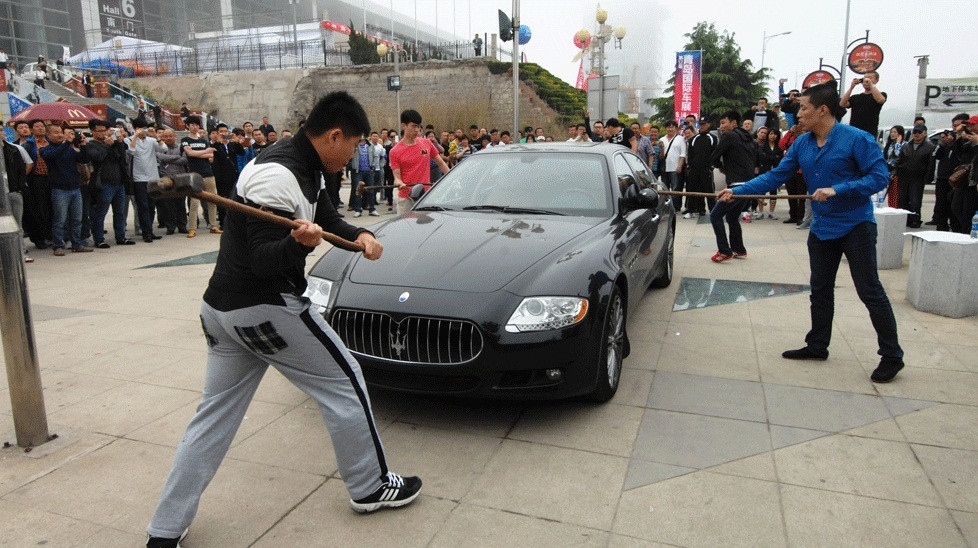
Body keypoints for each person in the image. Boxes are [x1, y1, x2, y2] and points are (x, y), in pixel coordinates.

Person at [146, 91, 421, 548]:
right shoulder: (276, 174)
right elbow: (262, 261)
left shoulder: (306, 164)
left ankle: (165, 529)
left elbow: (325, 213)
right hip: (264, 309)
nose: (352, 153)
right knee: (346, 380)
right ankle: (371, 486)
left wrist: (361, 234)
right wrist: (299, 246)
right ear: (333, 135)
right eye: (352, 145)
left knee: (212, 418)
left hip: (222, 312)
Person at [718, 81, 904, 384]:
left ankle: (892, 355)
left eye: (803, 107)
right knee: (819, 289)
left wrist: (838, 189)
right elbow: (777, 175)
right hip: (822, 228)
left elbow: (879, 177)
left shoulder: (857, 139)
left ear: (823, 110)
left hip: (856, 225)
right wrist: (738, 192)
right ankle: (817, 346)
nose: (798, 113)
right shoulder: (802, 143)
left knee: (869, 290)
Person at [39, 124, 93, 255]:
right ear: (48, 135)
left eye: (60, 132)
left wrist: (83, 145)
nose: (59, 135)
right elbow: (52, 156)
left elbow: (83, 159)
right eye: (55, 132)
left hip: (75, 188)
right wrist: (66, 143)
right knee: (60, 219)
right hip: (59, 189)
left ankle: (77, 243)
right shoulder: (46, 149)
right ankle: (58, 245)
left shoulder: (69, 149)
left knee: (77, 219)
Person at [708, 110, 755, 261]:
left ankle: (724, 251)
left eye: (723, 123)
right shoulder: (749, 138)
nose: (721, 127)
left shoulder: (729, 136)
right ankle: (739, 249)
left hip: (736, 185)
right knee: (732, 216)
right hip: (749, 185)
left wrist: (720, 166)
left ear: (734, 123)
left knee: (715, 215)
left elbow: (714, 157)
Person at [389, 109, 450, 214]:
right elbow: (397, 176)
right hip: (406, 199)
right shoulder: (395, 151)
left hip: (425, 197)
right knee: (405, 228)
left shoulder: (426, 143)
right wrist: (399, 182)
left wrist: (452, 177)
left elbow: (441, 163)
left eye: (418, 126)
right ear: (404, 126)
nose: (417, 129)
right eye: (413, 126)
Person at [87, 120, 135, 248]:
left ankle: (121, 236)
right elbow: (98, 158)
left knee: (119, 212)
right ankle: (99, 239)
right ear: (92, 131)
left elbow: (121, 158)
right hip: (104, 183)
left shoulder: (111, 143)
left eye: (105, 130)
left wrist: (118, 142)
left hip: (118, 182)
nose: (103, 133)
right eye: (99, 131)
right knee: (101, 212)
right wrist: (107, 145)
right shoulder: (90, 145)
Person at [181, 115, 221, 238]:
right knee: (194, 203)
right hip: (195, 175)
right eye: (192, 124)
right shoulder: (185, 140)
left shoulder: (203, 141)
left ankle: (214, 226)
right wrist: (205, 151)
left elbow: (211, 157)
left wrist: (199, 153)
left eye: (197, 125)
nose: (195, 127)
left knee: (213, 201)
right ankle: (192, 228)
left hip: (208, 173)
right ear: (187, 126)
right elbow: (190, 153)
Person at [128, 119, 166, 242]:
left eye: (144, 128)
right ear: (135, 128)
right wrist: (135, 136)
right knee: (142, 206)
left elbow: (163, 149)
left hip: (153, 177)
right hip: (139, 179)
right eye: (140, 128)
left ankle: (150, 230)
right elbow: (131, 151)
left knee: (151, 205)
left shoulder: (151, 141)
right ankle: (146, 233)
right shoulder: (129, 139)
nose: (143, 130)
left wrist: (156, 136)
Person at [895, 124, 935, 228]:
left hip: (918, 178)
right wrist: (895, 172)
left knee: (915, 201)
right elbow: (899, 161)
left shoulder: (929, 147)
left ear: (925, 133)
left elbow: (930, 165)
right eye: (915, 132)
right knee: (902, 200)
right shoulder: (906, 146)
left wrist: (927, 179)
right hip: (904, 177)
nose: (916, 134)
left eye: (919, 132)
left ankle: (915, 220)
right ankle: (904, 220)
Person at [3, 136, 35, 262]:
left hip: (13, 192)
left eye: (1, 130)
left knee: (17, 225)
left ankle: (21, 253)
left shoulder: (14, 149)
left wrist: (20, 186)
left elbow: (23, 167)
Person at [156, 129, 189, 234]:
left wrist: (167, 159)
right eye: (166, 136)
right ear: (163, 137)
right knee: (168, 204)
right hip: (165, 178)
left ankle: (182, 226)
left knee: (181, 204)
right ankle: (170, 227)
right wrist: (176, 157)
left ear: (175, 136)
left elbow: (184, 160)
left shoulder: (181, 147)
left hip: (180, 178)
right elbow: (160, 157)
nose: (169, 138)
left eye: (171, 136)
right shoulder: (160, 147)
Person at [684, 119, 717, 218]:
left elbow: (715, 153)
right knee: (693, 190)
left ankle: (713, 211)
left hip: (706, 169)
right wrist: (689, 166)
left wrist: (711, 166)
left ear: (708, 125)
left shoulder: (712, 138)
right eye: (700, 124)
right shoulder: (694, 139)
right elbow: (689, 154)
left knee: (709, 190)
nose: (702, 126)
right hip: (694, 169)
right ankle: (692, 210)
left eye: (704, 124)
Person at [841, 70, 887, 137]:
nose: (866, 80)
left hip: (869, 133)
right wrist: (851, 87)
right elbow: (842, 104)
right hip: (854, 133)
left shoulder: (881, 94)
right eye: (865, 78)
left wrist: (871, 84)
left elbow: (880, 100)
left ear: (876, 80)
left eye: (870, 78)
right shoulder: (855, 97)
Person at [930, 130, 958, 231]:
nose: (945, 139)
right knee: (941, 204)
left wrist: (954, 142)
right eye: (942, 138)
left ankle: (954, 226)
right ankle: (941, 226)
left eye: (946, 137)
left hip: (953, 180)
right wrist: (942, 145)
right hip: (942, 178)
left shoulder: (956, 147)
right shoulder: (943, 147)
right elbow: (936, 156)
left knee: (952, 205)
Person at [658, 121, 687, 203]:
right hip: (664, 168)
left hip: (675, 168)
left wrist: (680, 166)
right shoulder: (661, 139)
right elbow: (660, 156)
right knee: (665, 189)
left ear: (676, 128)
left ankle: (676, 206)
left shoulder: (680, 139)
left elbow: (683, 154)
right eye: (668, 127)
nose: (670, 129)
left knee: (675, 188)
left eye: (672, 127)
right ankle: (667, 206)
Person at [882, 125, 905, 209]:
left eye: (895, 132)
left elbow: (899, 155)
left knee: (896, 194)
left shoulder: (904, 144)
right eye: (891, 132)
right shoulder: (890, 145)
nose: (893, 134)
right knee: (889, 194)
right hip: (888, 171)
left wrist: (898, 144)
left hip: (897, 172)